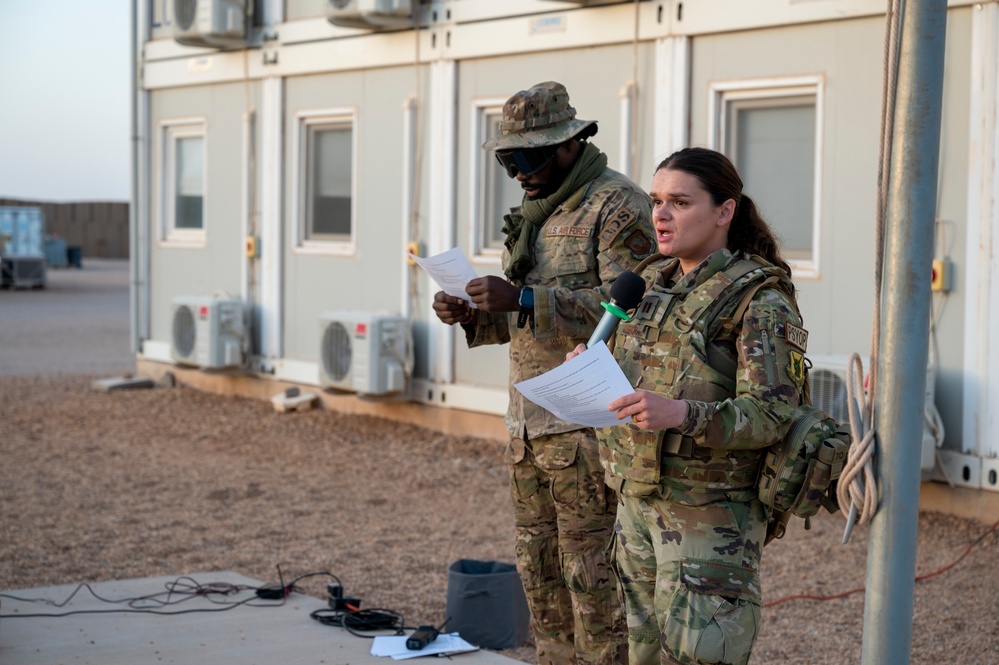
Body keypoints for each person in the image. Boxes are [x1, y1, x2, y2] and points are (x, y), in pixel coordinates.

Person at [432, 81, 656, 665]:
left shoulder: (617, 206)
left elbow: (639, 312)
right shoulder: (537, 214)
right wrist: (475, 316)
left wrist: (528, 298)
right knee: (542, 581)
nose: (519, 173)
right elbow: (524, 318)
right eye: (508, 160)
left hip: (588, 431)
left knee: (596, 587)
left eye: (527, 159)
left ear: (569, 145)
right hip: (532, 429)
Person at [569, 146, 806, 665]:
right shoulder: (649, 283)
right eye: (656, 200)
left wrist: (682, 415)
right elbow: (643, 377)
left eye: (679, 201)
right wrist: (591, 370)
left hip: (708, 522)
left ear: (725, 211)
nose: (660, 213)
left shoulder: (758, 299)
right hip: (637, 506)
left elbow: (773, 412)